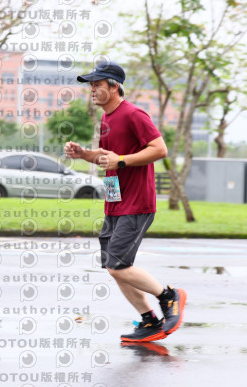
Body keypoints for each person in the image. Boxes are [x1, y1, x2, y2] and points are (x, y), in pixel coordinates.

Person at [64, 61, 186, 342]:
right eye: (91, 85)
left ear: (114, 86)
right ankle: (149, 320)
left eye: (97, 85)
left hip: (136, 202)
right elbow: (108, 156)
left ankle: (169, 296)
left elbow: (159, 149)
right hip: (115, 202)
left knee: (117, 265)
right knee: (115, 268)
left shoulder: (133, 114)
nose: (92, 90)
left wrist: (121, 160)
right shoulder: (107, 118)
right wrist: (84, 154)